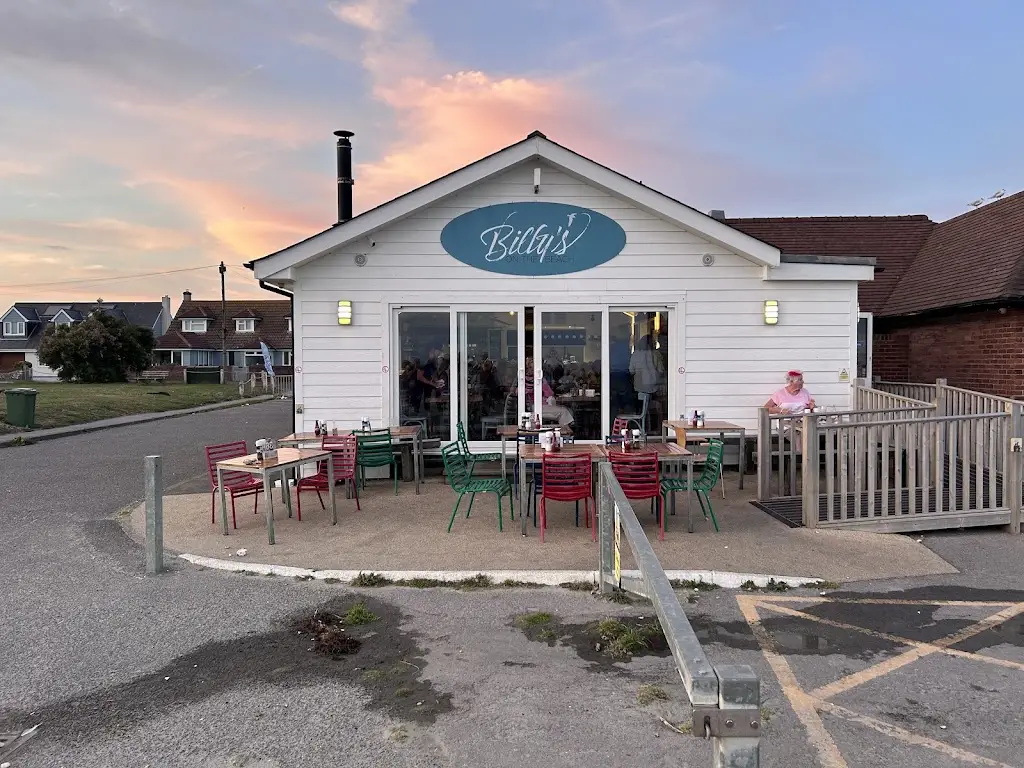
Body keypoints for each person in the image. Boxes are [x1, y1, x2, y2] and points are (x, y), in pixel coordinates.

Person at [517, 357, 574, 426]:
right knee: (564, 411)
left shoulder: (530, 379)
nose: (532, 370)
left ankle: (565, 430)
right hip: (536, 407)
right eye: (531, 368)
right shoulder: (534, 380)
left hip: (539, 405)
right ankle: (565, 431)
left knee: (568, 410)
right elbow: (550, 393)